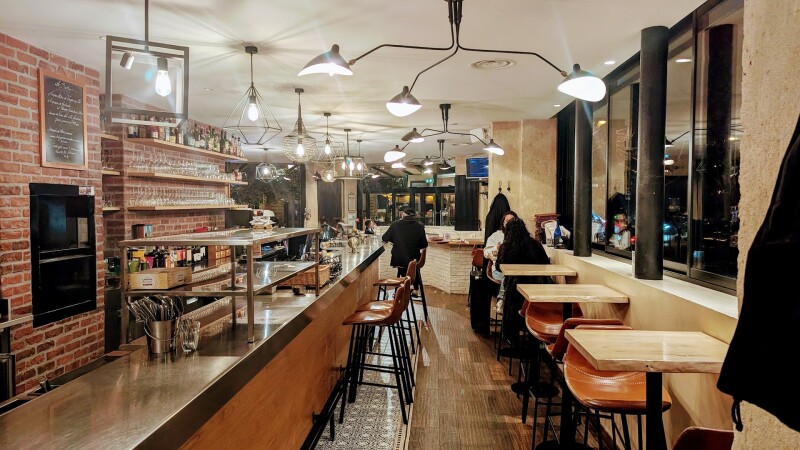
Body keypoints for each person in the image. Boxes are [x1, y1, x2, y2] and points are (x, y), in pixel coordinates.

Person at [495, 218, 552, 338]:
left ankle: (512, 336)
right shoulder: (535, 244)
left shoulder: (505, 246)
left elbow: (498, 267)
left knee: (506, 287)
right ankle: (533, 335)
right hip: (536, 288)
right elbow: (546, 263)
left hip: (513, 289)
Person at [472, 193, 512, 335]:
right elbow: (487, 251)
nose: (508, 223)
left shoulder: (518, 237)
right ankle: (504, 306)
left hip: (502, 271)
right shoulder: (497, 235)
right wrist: (496, 249)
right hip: (498, 271)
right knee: (510, 278)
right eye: (506, 220)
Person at [381, 208, 428, 277]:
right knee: (414, 270)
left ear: (403, 214)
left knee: (404, 270)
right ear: (414, 216)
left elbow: (384, 238)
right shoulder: (420, 226)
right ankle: (411, 280)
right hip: (414, 259)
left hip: (399, 259)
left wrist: (395, 240)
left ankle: (405, 281)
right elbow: (424, 244)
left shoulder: (395, 224)